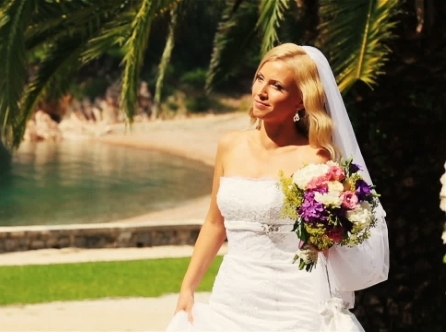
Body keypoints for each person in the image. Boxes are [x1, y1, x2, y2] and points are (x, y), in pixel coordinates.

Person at [165, 43, 390, 331]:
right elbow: (214, 223)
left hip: (295, 302)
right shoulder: (230, 145)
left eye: (277, 86)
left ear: (300, 101)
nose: (261, 91)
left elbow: (334, 237)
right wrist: (188, 287)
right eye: (260, 78)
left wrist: (330, 229)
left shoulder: (316, 158)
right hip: (232, 296)